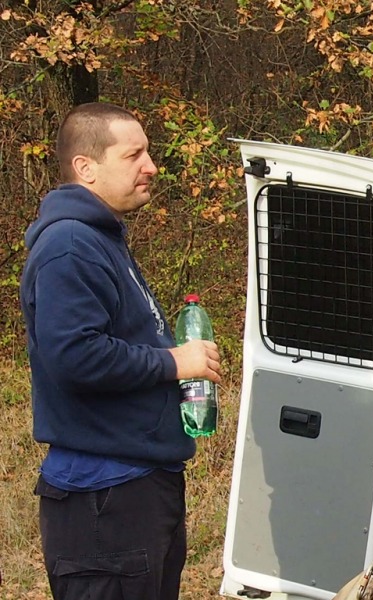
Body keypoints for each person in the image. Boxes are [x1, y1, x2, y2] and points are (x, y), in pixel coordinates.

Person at [20, 102, 222, 600]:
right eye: (134, 155)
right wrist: (175, 361)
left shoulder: (100, 239)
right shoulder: (69, 245)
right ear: (85, 167)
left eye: (148, 152)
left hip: (135, 488)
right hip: (102, 500)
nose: (150, 166)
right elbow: (75, 356)